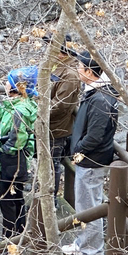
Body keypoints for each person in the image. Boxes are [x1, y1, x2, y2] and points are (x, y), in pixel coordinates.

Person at [61, 51, 119, 255]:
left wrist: (77, 153)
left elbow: (94, 136)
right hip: (92, 158)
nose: (77, 70)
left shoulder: (101, 99)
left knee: (90, 207)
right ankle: (83, 244)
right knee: (86, 204)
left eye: (79, 67)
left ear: (88, 71)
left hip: (91, 160)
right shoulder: (99, 93)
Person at [0, 67, 38, 238]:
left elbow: (17, 137)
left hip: (13, 162)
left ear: (16, 87)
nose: (5, 84)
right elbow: (3, 116)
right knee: (17, 198)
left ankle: (9, 239)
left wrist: (3, 149)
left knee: (7, 201)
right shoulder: (20, 104)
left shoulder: (19, 110)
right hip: (18, 161)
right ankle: (20, 233)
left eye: (8, 81)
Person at [49, 36, 81, 201]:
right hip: (49, 124)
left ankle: (50, 201)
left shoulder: (69, 74)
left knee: (52, 166)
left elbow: (60, 104)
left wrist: (36, 111)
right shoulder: (56, 66)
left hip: (56, 127)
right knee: (47, 165)